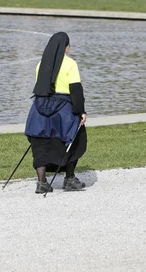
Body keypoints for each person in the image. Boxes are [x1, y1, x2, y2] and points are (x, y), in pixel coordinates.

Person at [24, 32, 88, 194]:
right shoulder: (70, 64)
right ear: (65, 47)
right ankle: (70, 178)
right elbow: (76, 90)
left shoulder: (41, 64)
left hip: (39, 108)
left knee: (40, 142)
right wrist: (81, 111)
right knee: (74, 139)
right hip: (63, 109)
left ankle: (42, 182)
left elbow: (41, 87)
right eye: (68, 45)